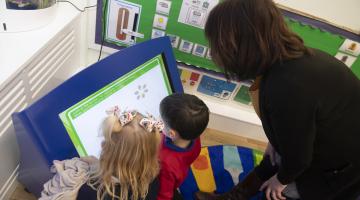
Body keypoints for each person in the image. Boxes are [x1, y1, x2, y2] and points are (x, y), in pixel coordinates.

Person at [196, 0, 360, 200]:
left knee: (279, 192)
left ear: (239, 45)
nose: (214, 52)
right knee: (271, 160)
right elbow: (294, 125)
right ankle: (231, 198)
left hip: (337, 167)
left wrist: (280, 180)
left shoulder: (287, 86)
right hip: (324, 139)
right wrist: (276, 141)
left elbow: (299, 159)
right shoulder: (288, 60)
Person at [77, 107, 163, 200]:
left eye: (107, 142)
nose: (102, 144)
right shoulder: (153, 178)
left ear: (110, 154)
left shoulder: (93, 191)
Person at [157, 93, 210, 200]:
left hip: (165, 181)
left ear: (171, 133)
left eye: (160, 119)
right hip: (180, 172)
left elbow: (164, 195)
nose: (158, 119)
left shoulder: (165, 162)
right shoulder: (194, 138)